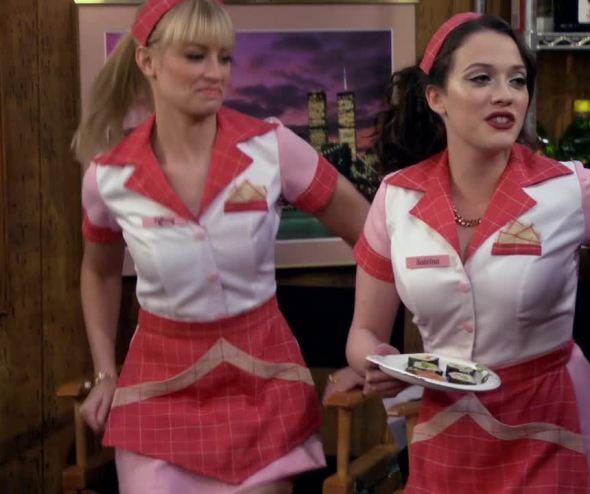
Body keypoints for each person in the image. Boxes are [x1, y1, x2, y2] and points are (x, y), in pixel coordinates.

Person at [344, 12, 590, 494]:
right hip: (448, 431)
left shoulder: (569, 189)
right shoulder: (395, 199)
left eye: (517, 80)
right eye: (481, 78)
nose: (505, 94)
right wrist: (378, 361)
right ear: (436, 98)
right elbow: (363, 333)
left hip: (556, 424)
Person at [73, 1, 369, 492]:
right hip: (157, 391)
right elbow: (99, 272)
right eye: (196, 56)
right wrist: (105, 373)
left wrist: (365, 349)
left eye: (225, 57)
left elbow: (372, 236)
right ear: (147, 61)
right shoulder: (108, 177)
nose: (216, 73)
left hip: (263, 388)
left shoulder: (272, 147)